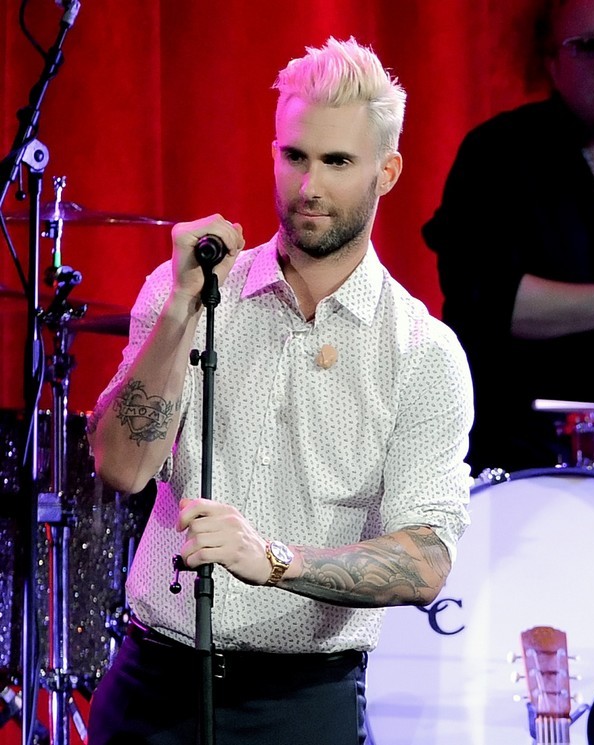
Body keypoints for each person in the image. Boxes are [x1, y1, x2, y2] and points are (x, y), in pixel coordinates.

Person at [85, 36, 474, 745]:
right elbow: (121, 466)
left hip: (300, 704)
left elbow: (424, 560)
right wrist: (180, 309)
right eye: (294, 156)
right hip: (152, 684)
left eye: (337, 162)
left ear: (386, 171)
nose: (308, 186)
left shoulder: (423, 352)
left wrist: (271, 559)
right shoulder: (190, 290)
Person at [422, 0, 594, 479]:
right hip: (524, 462)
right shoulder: (499, 152)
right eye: (588, 46)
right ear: (550, 59)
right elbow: (485, 301)